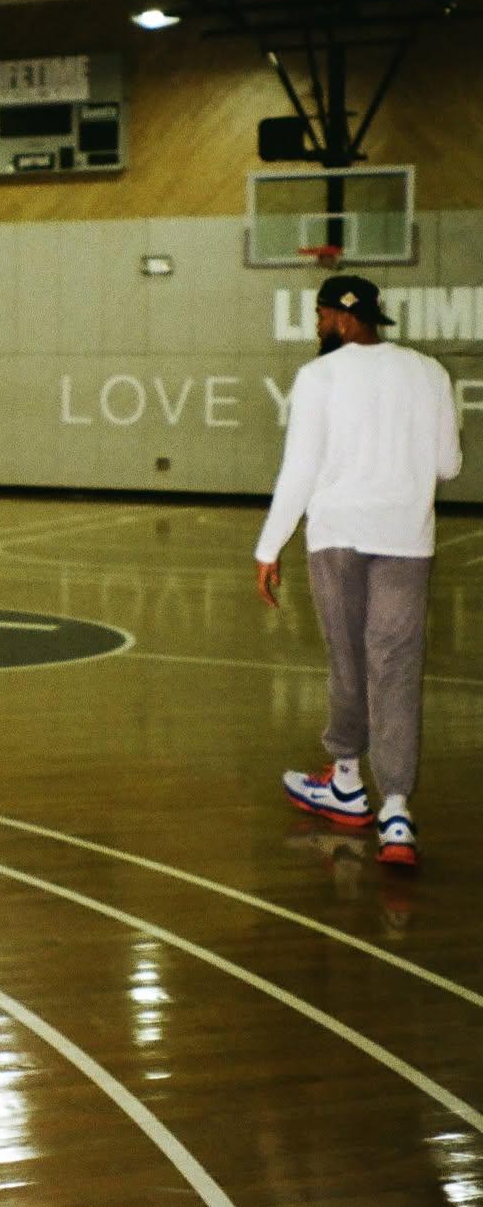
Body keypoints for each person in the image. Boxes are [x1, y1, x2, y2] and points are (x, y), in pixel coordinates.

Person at [254, 275, 461, 868]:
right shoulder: (429, 373)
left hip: (339, 536)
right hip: (407, 538)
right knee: (395, 666)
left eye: (320, 317)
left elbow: (299, 471)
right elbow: (448, 464)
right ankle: (397, 809)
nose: (318, 328)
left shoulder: (320, 377)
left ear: (340, 319)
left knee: (348, 659)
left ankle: (346, 779)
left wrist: (270, 548)